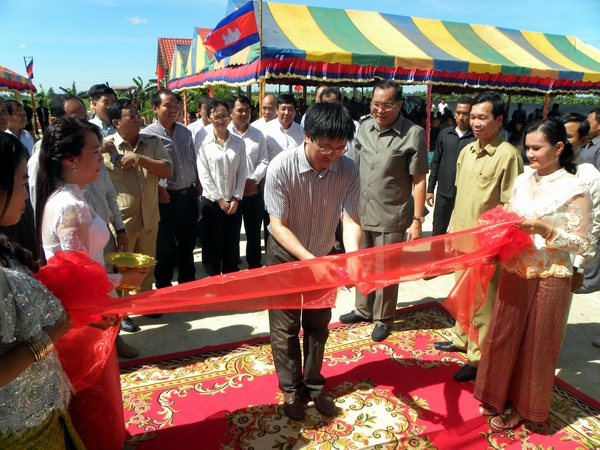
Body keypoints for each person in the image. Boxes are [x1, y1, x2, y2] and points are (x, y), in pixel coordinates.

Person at [35, 118, 147, 449]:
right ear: (71, 159)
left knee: (97, 391)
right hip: (88, 315)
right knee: (96, 393)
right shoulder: (71, 207)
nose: (101, 159)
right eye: (95, 152)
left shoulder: (66, 197)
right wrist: (125, 279)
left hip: (89, 306)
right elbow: (78, 278)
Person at [474, 119, 591, 430]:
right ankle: (497, 394)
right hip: (515, 268)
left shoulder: (575, 188)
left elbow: (584, 243)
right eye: (527, 147)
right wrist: (496, 244)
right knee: (504, 334)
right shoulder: (523, 180)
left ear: (559, 148)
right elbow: (511, 221)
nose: (530, 154)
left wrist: (546, 230)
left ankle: (524, 407)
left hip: (550, 274)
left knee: (537, 344)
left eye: (537, 148)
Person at [265, 102, 362, 421]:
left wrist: (351, 257)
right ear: (307, 135)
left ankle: (314, 385)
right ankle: (292, 390)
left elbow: (351, 219)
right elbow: (278, 226)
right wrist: (311, 261)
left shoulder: (348, 169)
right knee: (285, 327)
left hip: (323, 252)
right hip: (285, 255)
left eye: (340, 148)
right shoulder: (281, 167)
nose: (332, 155)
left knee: (318, 324)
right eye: (326, 147)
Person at [0, 133, 85, 448]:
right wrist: (46, 340)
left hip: (39, 408)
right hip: (15, 428)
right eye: (22, 183)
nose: (27, 193)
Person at [433, 91, 523, 381]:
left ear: (499, 120)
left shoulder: (508, 156)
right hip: (462, 237)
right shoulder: (467, 151)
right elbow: (461, 197)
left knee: (483, 303)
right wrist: (452, 232)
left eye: (483, 117)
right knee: (463, 295)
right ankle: (461, 339)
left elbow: (510, 207)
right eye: (473, 117)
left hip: (487, 244)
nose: (475, 122)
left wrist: (497, 245)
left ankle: (477, 359)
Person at [339, 80, 428, 342]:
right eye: (376, 104)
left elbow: (419, 179)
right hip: (361, 209)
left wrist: (417, 219)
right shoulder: (364, 128)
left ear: (399, 104)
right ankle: (363, 309)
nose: (380, 110)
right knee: (362, 263)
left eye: (386, 105)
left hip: (391, 214)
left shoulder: (413, 134)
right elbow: (354, 170)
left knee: (385, 270)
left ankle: (383, 318)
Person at [104, 98, 173, 291]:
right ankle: (123, 308)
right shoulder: (106, 148)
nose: (137, 119)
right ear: (116, 122)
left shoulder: (152, 143)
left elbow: (167, 170)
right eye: (131, 116)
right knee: (121, 272)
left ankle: (145, 302)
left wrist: (138, 159)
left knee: (146, 270)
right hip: (123, 225)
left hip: (149, 220)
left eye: (137, 115)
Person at [141, 89, 200, 288]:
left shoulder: (185, 132)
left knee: (187, 243)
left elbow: (192, 160)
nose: (173, 109)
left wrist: (197, 184)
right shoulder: (147, 136)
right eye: (168, 105)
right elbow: (143, 169)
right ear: (155, 108)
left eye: (176, 106)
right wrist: (157, 188)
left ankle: (187, 282)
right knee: (164, 246)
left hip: (188, 195)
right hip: (165, 198)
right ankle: (164, 284)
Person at [196, 98, 247, 275]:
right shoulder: (203, 141)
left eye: (224, 115)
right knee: (213, 243)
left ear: (230, 115)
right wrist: (219, 199)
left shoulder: (239, 142)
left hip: (233, 202)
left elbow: (242, 171)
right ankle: (215, 277)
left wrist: (236, 198)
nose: (221, 120)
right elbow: (203, 172)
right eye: (216, 116)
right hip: (212, 201)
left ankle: (230, 277)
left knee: (231, 243)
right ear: (209, 118)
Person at [228, 95, 268, 269]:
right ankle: (232, 265)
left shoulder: (258, 134)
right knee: (232, 231)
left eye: (247, 110)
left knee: (254, 232)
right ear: (231, 112)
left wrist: (253, 180)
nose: (244, 113)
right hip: (231, 191)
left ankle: (254, 265)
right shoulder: (224, 133)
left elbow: (264, 160)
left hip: (253, 190)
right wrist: (239, 183)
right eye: (240, 110)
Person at [426, 96, 476, 236]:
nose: (461, 117)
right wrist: (430, 189)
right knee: (438, 232)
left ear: (471, 115)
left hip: (465, 195)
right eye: (458, 113)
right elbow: (436, 162)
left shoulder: (476, 138)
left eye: (465, 113)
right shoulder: (445, 134)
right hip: (444, 192)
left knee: (462, 233)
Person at [575, 107, 600, 294]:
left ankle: (590, 280)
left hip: (593, 197)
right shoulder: (592, 144)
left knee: (594, 239)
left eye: (589, 121)